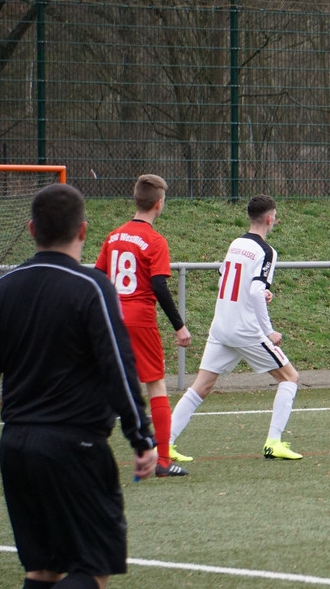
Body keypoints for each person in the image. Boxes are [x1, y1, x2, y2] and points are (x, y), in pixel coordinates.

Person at [0, 183, 157, 589]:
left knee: (43, 570)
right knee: (93, 568)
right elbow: (118, 368)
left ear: (32, 230)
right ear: (82, 230)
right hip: (74, 447)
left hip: (16, 447)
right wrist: (141, 437)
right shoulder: (92, 287)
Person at [169, 195, 304, 460]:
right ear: (269, 218)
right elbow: (254, 290)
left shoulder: (236, 243)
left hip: (221, 325)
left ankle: (164, 443)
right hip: (246, 329)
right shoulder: (266, 251)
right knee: (290, 378)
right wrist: (268, 330)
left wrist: (259, 293)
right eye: (275, 215)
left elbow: (226, 278)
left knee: (200, 386)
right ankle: (273, 442)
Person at [95, 174, 192, 477]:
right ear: (159, 204)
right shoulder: (155, 240)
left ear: (136, 200)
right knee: (156, 385)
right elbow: (159, 286)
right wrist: (179, 326)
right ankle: (162, 461)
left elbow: (98, 277)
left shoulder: (113, 237)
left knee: (106, 385)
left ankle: (84, 451)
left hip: (111, 318)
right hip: (140, 319)